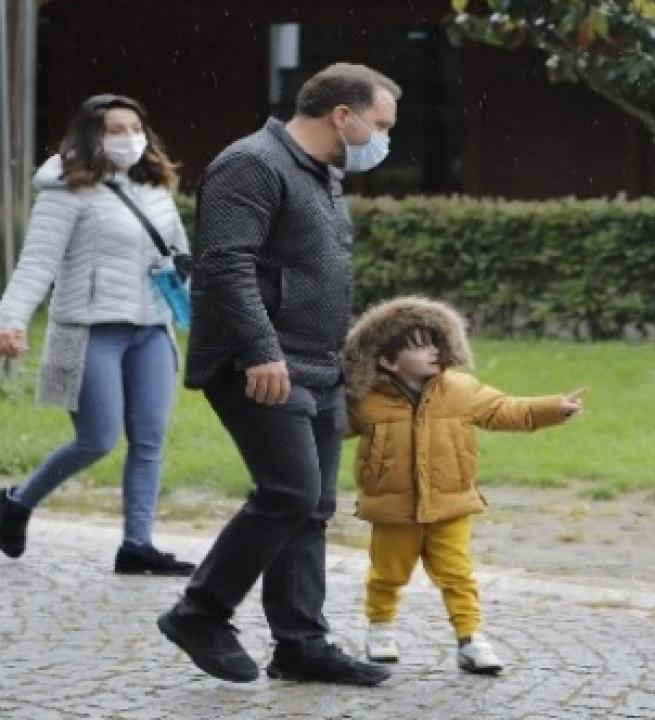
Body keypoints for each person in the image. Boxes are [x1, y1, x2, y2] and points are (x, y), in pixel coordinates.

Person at [156, 63, 400, 686]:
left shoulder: (323, 173)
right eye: (380, 125)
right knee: (289, 493)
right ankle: (199, 613)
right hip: (259, 364)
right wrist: (262, 351)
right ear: (341, 115)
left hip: (318, 365)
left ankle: (301, 646)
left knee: (311, 507)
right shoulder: (251, 164)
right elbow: (226, 265)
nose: (383, 140)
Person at [0, 94, 195, 576]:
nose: (129, 138)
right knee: (97, 438)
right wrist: (11, 320)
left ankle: (137, 545)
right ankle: (17, 503)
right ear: (92, 136)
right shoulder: (65, 191)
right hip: (88, 329)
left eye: (136, 128)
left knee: (149, 440)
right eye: (115, 130)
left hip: (151, 329)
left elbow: (179, 257)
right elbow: (37, 264)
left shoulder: (154, 187)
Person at [342, 296, 585, 672]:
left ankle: (470, 638)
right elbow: (329, 426)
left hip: (451, 505)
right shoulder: (365, 401)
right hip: (393, 510)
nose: (433, 352)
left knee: (457, 573)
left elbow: (505, 409)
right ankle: (380, 628)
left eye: (435, 343)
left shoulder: (460, 389)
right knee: (387, 573)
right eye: (420, 346)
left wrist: (552, 408)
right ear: (388, 360)